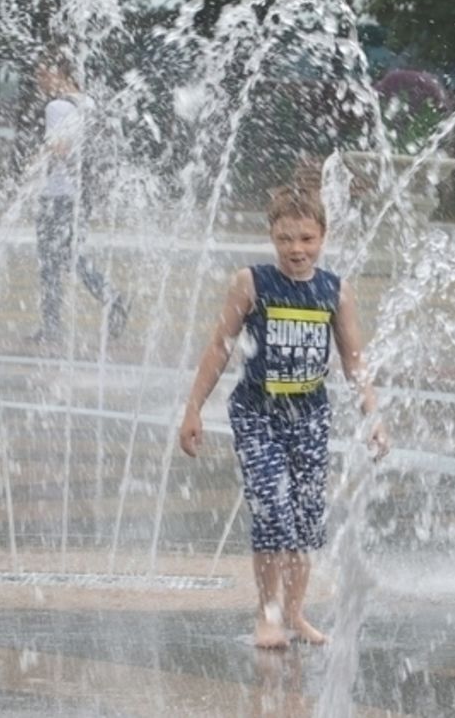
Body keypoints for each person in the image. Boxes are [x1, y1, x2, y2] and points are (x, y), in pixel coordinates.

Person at [178, 186, 389, 649]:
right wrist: (193, 407)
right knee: (273, 510)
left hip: (310, 417)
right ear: (272, 236)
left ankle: (295, 612)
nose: (297, 249)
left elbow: (353, 359)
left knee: (307, 518)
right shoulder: (251, 283)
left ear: (323, 237)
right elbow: (220, 345)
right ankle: (267, 613)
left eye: (307, 239)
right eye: (286, 238)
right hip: (257, 414)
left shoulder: (335, 290)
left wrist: (373, 415)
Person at [29, 55, 130, 344]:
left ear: (60, 74)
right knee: (69, 255)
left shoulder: (57, 106)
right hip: (82, 195)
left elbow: (59, 148)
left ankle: (53, 325)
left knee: (52, 260)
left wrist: (33, 164)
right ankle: (111, 297)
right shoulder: (89, 104)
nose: (40, 82)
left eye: (43, 75)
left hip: (57, 193)